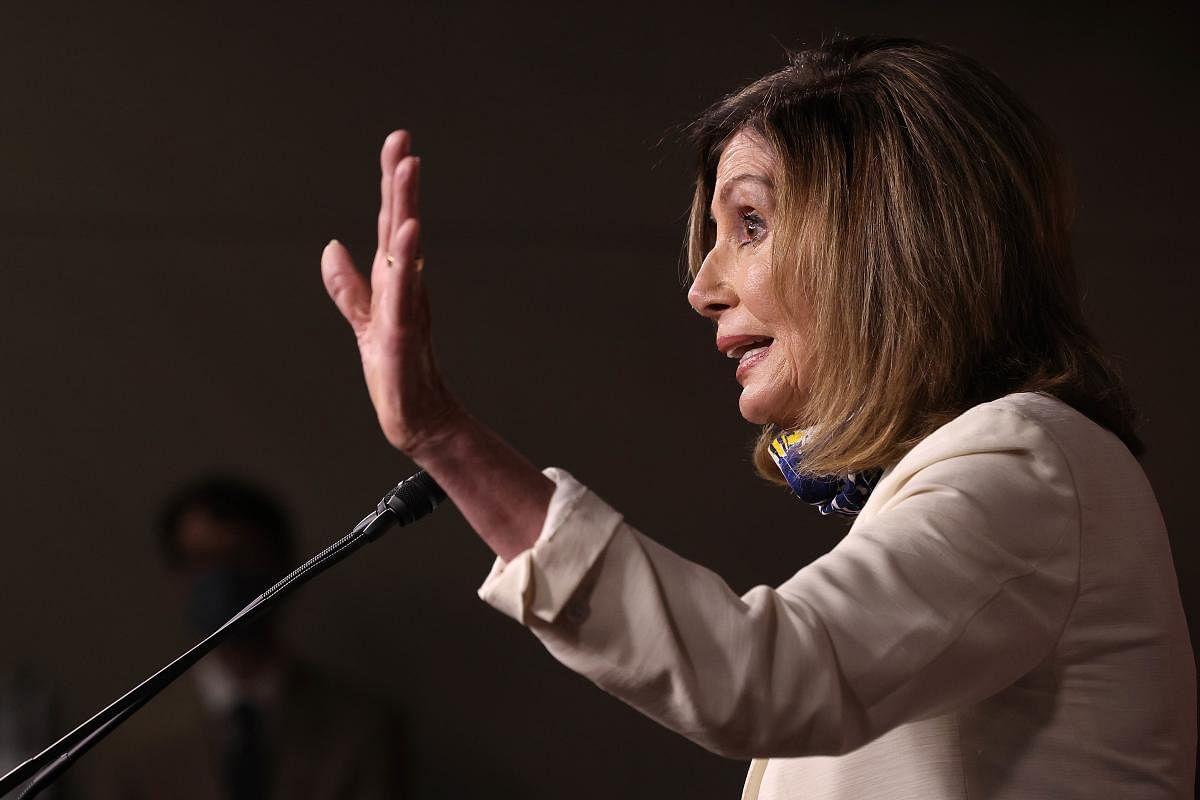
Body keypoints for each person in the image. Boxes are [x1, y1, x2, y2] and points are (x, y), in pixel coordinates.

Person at [320, 36, 1196, 798]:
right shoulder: (1008, 470)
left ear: (888, 241)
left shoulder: (1030, 462)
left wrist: (443, 435)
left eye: (749, 223)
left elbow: (760, 674)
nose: (702, 287)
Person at [92, 476, 405, 800]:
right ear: (179, 575)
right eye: (202, 559)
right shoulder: (131, 740)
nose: (222, 579)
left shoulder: (361, 730)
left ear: (282, 567)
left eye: (240, 556)